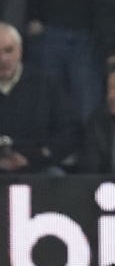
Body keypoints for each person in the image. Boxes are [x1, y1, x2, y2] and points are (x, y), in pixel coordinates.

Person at [0, 22, 80, 174]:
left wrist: (39, 156)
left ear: (20, 50)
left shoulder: (45, 84)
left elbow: (70, 131)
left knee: (56, 176)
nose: (3, 59)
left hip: (39, 167)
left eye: (8, 50)